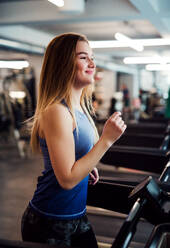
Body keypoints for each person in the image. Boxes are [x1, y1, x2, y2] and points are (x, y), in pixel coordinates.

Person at [21, 32, 126, 248]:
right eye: (83, 57)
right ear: (63, 64)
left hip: (76, 217)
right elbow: (67, 179)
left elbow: (73, 159)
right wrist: (106, 140)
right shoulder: (57, 111)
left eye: (92, 57)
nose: (91, 63)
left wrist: (86, 165)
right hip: (49, 220)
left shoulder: (79, 108)